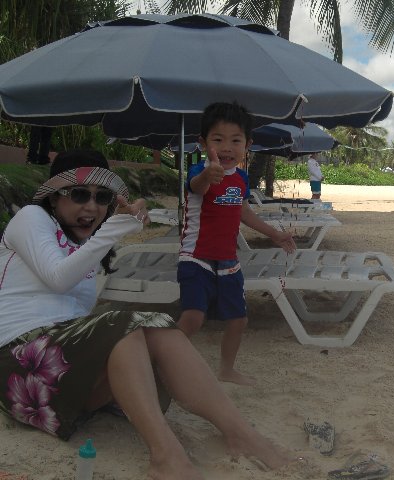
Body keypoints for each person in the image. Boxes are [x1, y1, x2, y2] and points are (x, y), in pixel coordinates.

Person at [0, 150, 291, 480]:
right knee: (124, 323)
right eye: (79, 194)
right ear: (54, 198)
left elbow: (78, 315)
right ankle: (166, 456)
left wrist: (109, 230)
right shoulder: (31, 218)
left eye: (102, 197)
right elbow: (57, 277)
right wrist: (115, 227)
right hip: (17, 366)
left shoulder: (87, 245)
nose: (92, 207)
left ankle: (241, 433)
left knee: (158, 326)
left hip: (66, 375)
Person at [177, 102, 296, 386]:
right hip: (196, 257)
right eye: (218, 140)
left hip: (228, 260)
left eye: (235, 140)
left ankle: (226, 370)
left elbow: (243, 212)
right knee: (193, 317)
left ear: (247, 145)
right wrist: (208, 175)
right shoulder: (198, 171)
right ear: (203, 143)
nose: (227, 148)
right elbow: (198, 187)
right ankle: (163, 360)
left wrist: (274, 234)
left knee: (238, 320)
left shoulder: (241, 178)